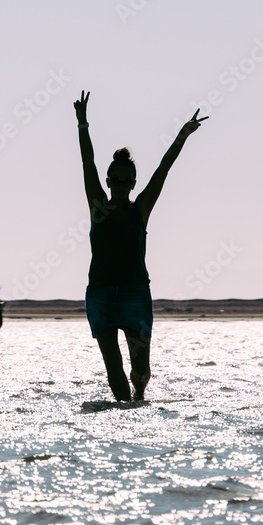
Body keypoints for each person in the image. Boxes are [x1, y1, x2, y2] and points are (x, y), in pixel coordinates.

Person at [74, 90, 206, 401]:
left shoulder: (140, 209)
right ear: (108, 181)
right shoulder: (99, 208)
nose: (120, 185)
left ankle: (139, 397)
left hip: (135, 294)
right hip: (101, 294)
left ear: (133, 183)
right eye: (115, 180)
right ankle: (123, 420)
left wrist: (182, 135)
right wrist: (82, 124)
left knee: (141, 369)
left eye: (126, 181)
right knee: (113, 369)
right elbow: (87, 162)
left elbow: (164, 168)